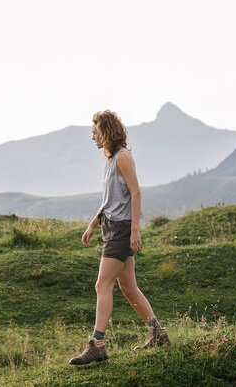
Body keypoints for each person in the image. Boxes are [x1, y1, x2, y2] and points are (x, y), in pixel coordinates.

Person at [67, 110, 170, 365]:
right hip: (111, 228)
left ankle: (97, 344)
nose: (93, 137)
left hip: (122, 231)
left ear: (107, 130)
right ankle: (158, 333)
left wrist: (135, 230)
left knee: (102, 285)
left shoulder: (123, 157)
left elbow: (136, 194)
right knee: (128, 286)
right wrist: (93, 223)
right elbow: (110, 200)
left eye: (95, 131)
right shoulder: (111, 159)